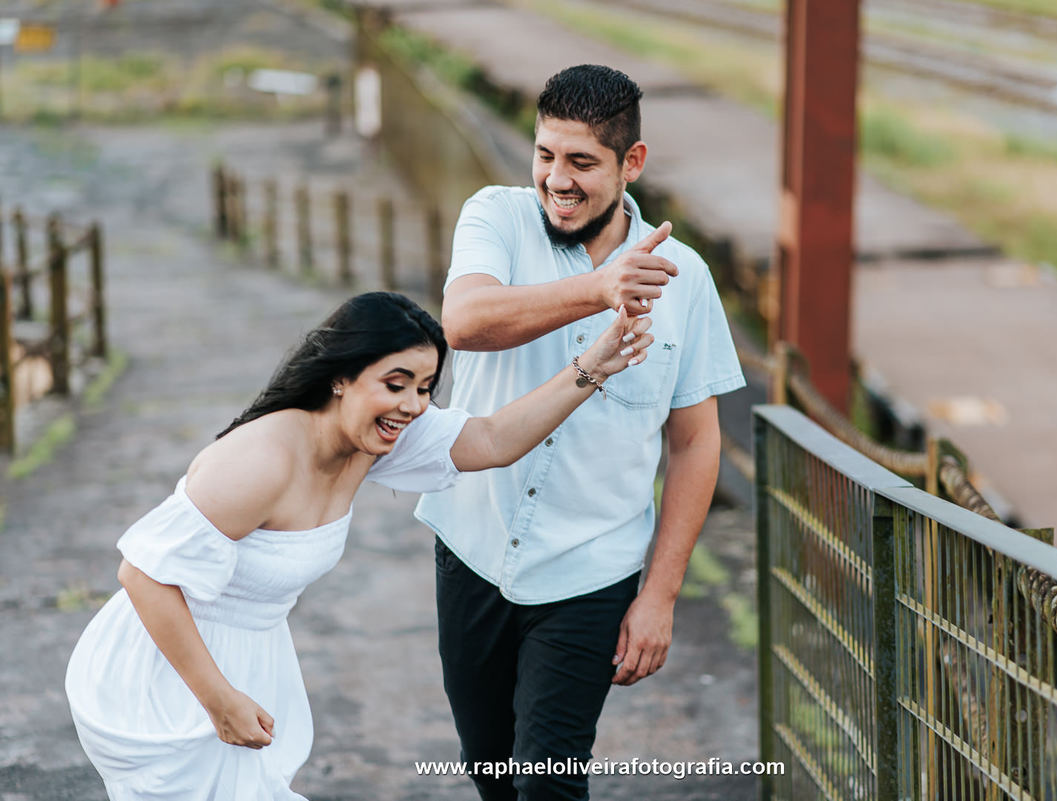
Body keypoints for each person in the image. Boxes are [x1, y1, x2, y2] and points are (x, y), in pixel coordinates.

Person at [64, 291, 652, 801]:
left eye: (424, 388)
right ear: (340, 377)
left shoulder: (373, 439)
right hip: (168, 671)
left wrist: (593, 366)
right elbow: (143, 576)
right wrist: (217, 699)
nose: (413, 405)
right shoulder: (261, 461)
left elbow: (493, 440)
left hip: (246, 661)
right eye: (395, 384)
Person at [414, 64, 746, 800]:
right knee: (490, 766)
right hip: (473, 547)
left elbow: (695, 443)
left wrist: (660, 595)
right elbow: (464, 322)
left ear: (632, 163)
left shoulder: (686, 279)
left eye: (582, 162)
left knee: (548, 779)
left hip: (590, 571)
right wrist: (599, 289)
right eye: (545, 155)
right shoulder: (496, 217)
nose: (556, 180)